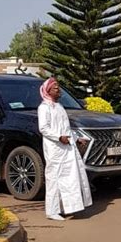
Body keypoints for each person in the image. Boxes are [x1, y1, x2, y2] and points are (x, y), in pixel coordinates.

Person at [38, 77, 93, 221]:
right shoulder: (44, 107)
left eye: (58, 87)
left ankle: (66, 207)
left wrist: (76, 138)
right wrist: (58, 137)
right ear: (48, 90)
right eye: (55, 87)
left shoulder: (60, 107)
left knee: (69, 179)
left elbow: (66, 129)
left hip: (68, 148)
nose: (58, 90)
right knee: (54, 179)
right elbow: (43, 128)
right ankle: (52, 210)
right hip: (55, 149)